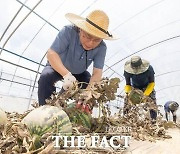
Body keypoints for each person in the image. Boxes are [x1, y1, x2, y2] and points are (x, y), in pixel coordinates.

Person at [38, 10, 117, 113]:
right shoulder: (68, 31)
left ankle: (77, 114)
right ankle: (44, 113)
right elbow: (51, 54)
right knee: (46, 77)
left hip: (79, 72)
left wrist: (88, 92)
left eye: (97, 40)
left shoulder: (102, 48)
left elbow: (97, 73)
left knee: (92, 87)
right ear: (81, 29)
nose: (90, 43)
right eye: (87, 37)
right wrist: (67, 75)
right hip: (58, 66)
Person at [123, 56, 157, 120]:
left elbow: (152, 83)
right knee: (127, 101)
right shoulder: (127, 71)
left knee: (152, 103)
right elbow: (128, 84)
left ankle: (153, 120)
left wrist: (145, 95)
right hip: (135, 88)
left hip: (147, 87)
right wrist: (128, 93)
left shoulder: (149, 69)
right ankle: (126, 119)